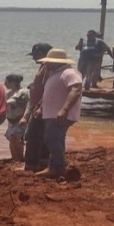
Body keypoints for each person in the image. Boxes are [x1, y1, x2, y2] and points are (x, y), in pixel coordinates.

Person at [35, 49, 83, 179]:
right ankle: (54, 166)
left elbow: (76, 89)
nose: (45, 64)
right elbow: (50, 94)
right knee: (56, 139)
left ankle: (59, 167)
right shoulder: (56, 74)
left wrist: (64, 109)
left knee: (51, 139)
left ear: (55, 62)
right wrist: (41, 108)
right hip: (52, 113)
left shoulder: (69, 72)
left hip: (60, 113)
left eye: (48, 62)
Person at [19, 43, 53, 172]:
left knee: (32, 135)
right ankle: (42, 161)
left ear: (44, 54)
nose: (33, 58)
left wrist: (40, 106)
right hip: (40, 105)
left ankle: (31, 165)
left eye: (35, 55)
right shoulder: (45, 67)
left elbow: (48, 89)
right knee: (41, 135)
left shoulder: (47, 68)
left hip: (40, 106)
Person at [3, 74, 29, 162]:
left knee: (15, 138)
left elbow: (28, 106)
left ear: (12, 82)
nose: (4, 84)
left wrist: (25, 117)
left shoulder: (24, 92)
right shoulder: (8, 94)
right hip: (11, 120)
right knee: (11, 139)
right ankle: (14, 158)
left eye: (6, 82)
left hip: (19, 119)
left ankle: (20, 158)